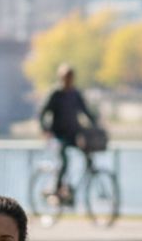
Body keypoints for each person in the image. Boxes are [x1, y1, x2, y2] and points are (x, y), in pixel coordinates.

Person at [38, 63, 99, 202]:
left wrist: (95, 125)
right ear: (61, 78)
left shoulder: (75, 94)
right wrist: (45, 130)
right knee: (64, 161)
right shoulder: (55, 94)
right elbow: (43, 113)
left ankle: (71, 189)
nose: (69, 80)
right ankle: (57, 189)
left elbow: (85, 111)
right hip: (59, 136)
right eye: (66, 77)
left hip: (73, 134)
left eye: (70, 77)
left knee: (88, 155)